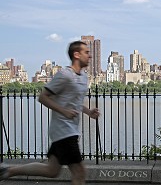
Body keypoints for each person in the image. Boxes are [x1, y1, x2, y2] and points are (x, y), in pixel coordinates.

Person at [0, 41, 100, 185]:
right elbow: (43, 97)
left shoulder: (84, 77)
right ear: (76, 55)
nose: (90, 56)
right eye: (86, 52)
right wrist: (64, 111)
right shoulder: (64, 75)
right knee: (79, 172)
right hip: (64, 131)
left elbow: (75, 103)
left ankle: (9, 171)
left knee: (52, 171)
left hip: (69, 131)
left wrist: (89, 112)